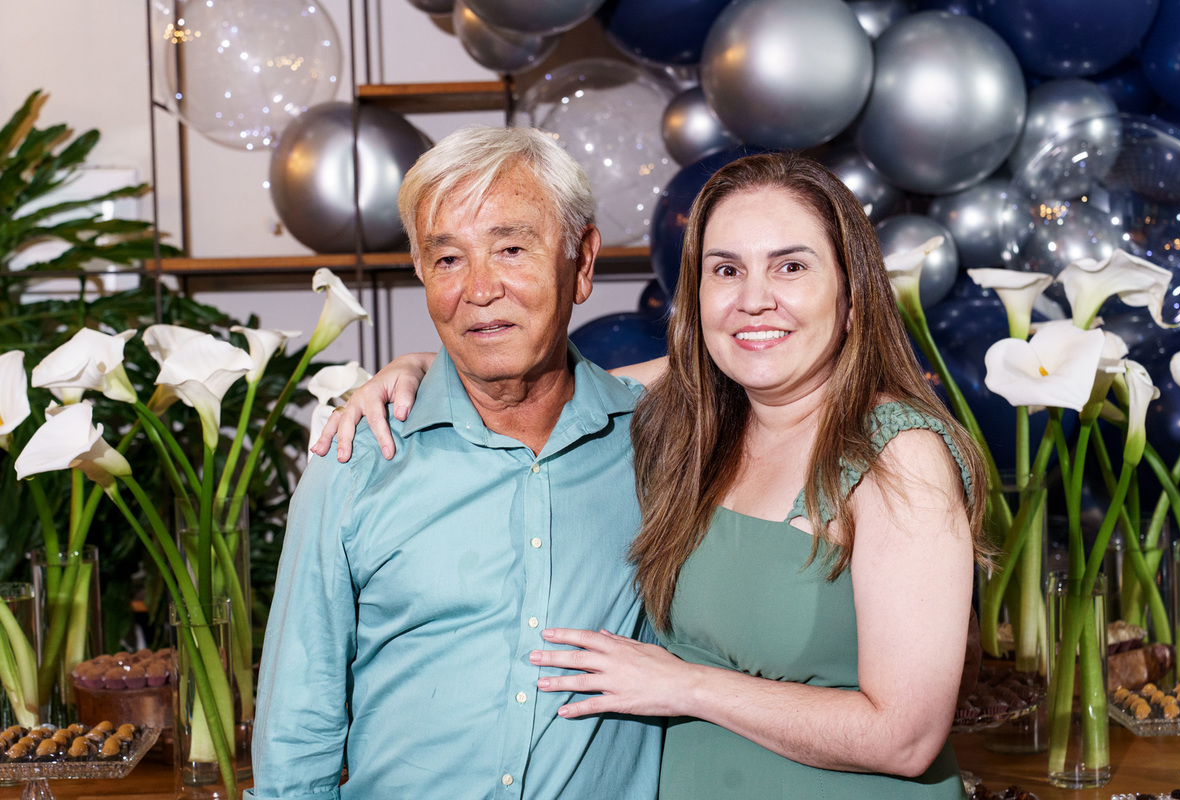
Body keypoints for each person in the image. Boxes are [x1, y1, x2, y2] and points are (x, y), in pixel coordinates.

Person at [315, 152, 988, 798]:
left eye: (790, 266)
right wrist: (421, 367)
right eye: (726, 270)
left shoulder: (899, 456)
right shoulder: (692, 414)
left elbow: (906, 738)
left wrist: (685, 685)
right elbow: (539, 386)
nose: (754, 300)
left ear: (852, 292)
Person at [248, 125, 663, 800]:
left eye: (511, 249)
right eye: (447, 259)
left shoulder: (662, 446)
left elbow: (771, 354)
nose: (479, 289)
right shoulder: (356, 459)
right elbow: (298, 727)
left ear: (582, 262)